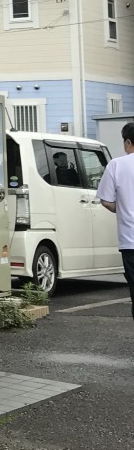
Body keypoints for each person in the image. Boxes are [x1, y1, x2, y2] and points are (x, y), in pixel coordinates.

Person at [96, 120, 134, 320]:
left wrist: (124, 208)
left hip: (130, 241)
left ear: (128, 142)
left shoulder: (116, 165)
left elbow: (106, 201)